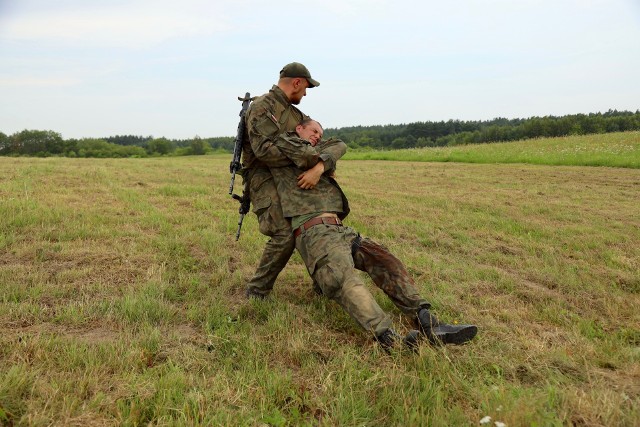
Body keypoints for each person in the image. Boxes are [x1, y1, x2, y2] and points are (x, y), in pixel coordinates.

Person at [269, 119, 478, 350]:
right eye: (313, 131)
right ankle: (388, 338)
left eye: (321, 133)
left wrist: (320, 168)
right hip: (314, 230)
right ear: (299, 128)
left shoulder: (318, 151)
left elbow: (339, 144)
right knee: (343, 279)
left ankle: (428, 321)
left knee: (385, 260)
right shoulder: (284, 145)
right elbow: (304, 154)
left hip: (340, 229)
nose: (318, 136)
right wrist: (323, 162)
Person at [242, 62, 320, 299]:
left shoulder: (296, 115)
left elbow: (321, 142)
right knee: (285, 233)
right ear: (296, 82)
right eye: (305, 88)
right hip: (263, 177)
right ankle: (257, 290)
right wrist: (304, 156)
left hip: (289, 175)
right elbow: (264, 152)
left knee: (316, 225)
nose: (305, 94)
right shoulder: (262, 107)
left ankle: (325, 281)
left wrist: (320, 165)